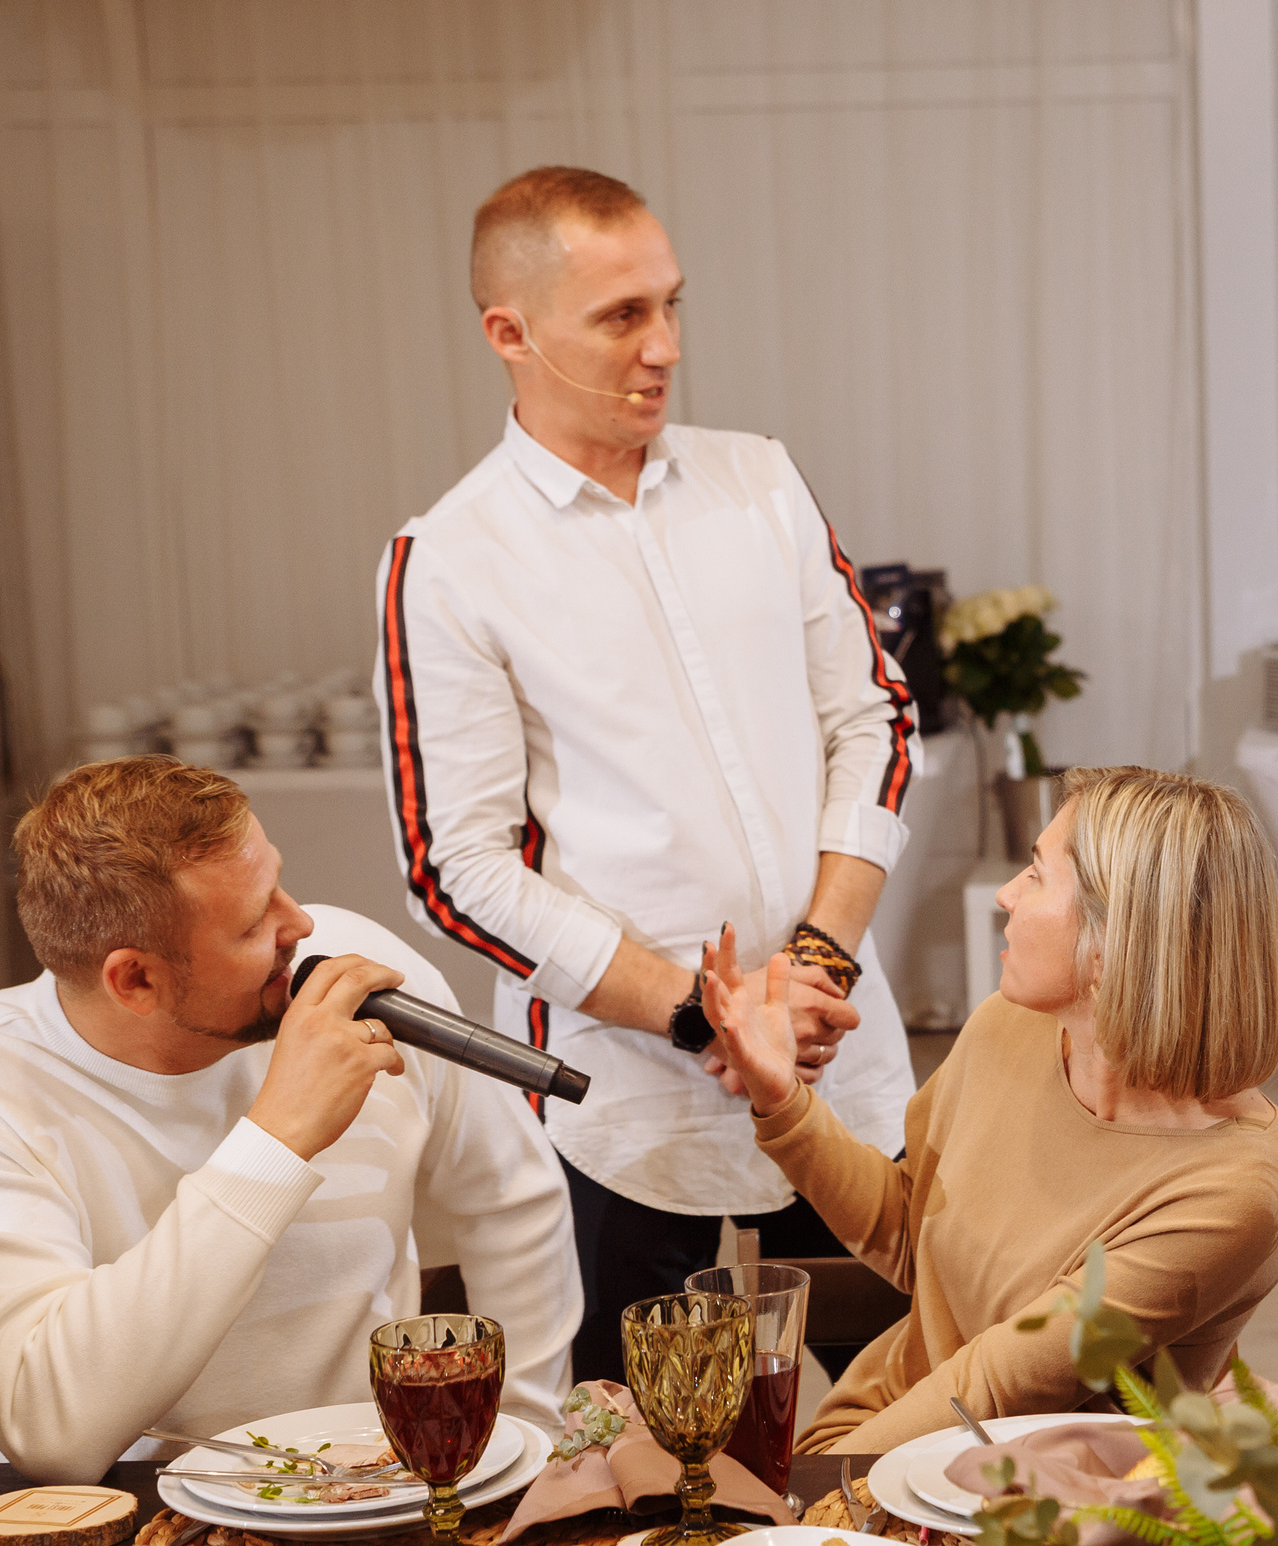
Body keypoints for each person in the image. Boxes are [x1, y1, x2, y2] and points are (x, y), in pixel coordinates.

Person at [377, 165, 919, 1384]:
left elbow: (875, 721)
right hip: (620, 1106)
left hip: (839, 1059)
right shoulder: (448, 560)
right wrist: (702, 1014)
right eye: (622, 317)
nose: (664, 347)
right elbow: (452, 866)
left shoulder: (759, 480)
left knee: (915, 1419)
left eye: (672, 304)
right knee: (631, 1464)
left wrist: (814, 967)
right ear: (507, 333)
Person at [0, 757, 578, 1484]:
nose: (302, 923)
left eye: (280, 881)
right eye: (255, 923)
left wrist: (522, 1443)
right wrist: (276, 1138)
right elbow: (50, 1426)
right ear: (136, 979)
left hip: (375, 1487)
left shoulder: (349, 970)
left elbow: (512, 1195)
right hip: (120, 1517)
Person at [701, 766, 1278, 1455]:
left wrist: (805, 1493)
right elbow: (909, 1229)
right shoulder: (1007, 1026)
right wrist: (783, 1098)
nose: (1006, 894)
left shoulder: (1237, 1188)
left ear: (1116, 943)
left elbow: (999, 1387)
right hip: (881, 1433)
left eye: (1037, 875)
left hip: (1043, 1504)